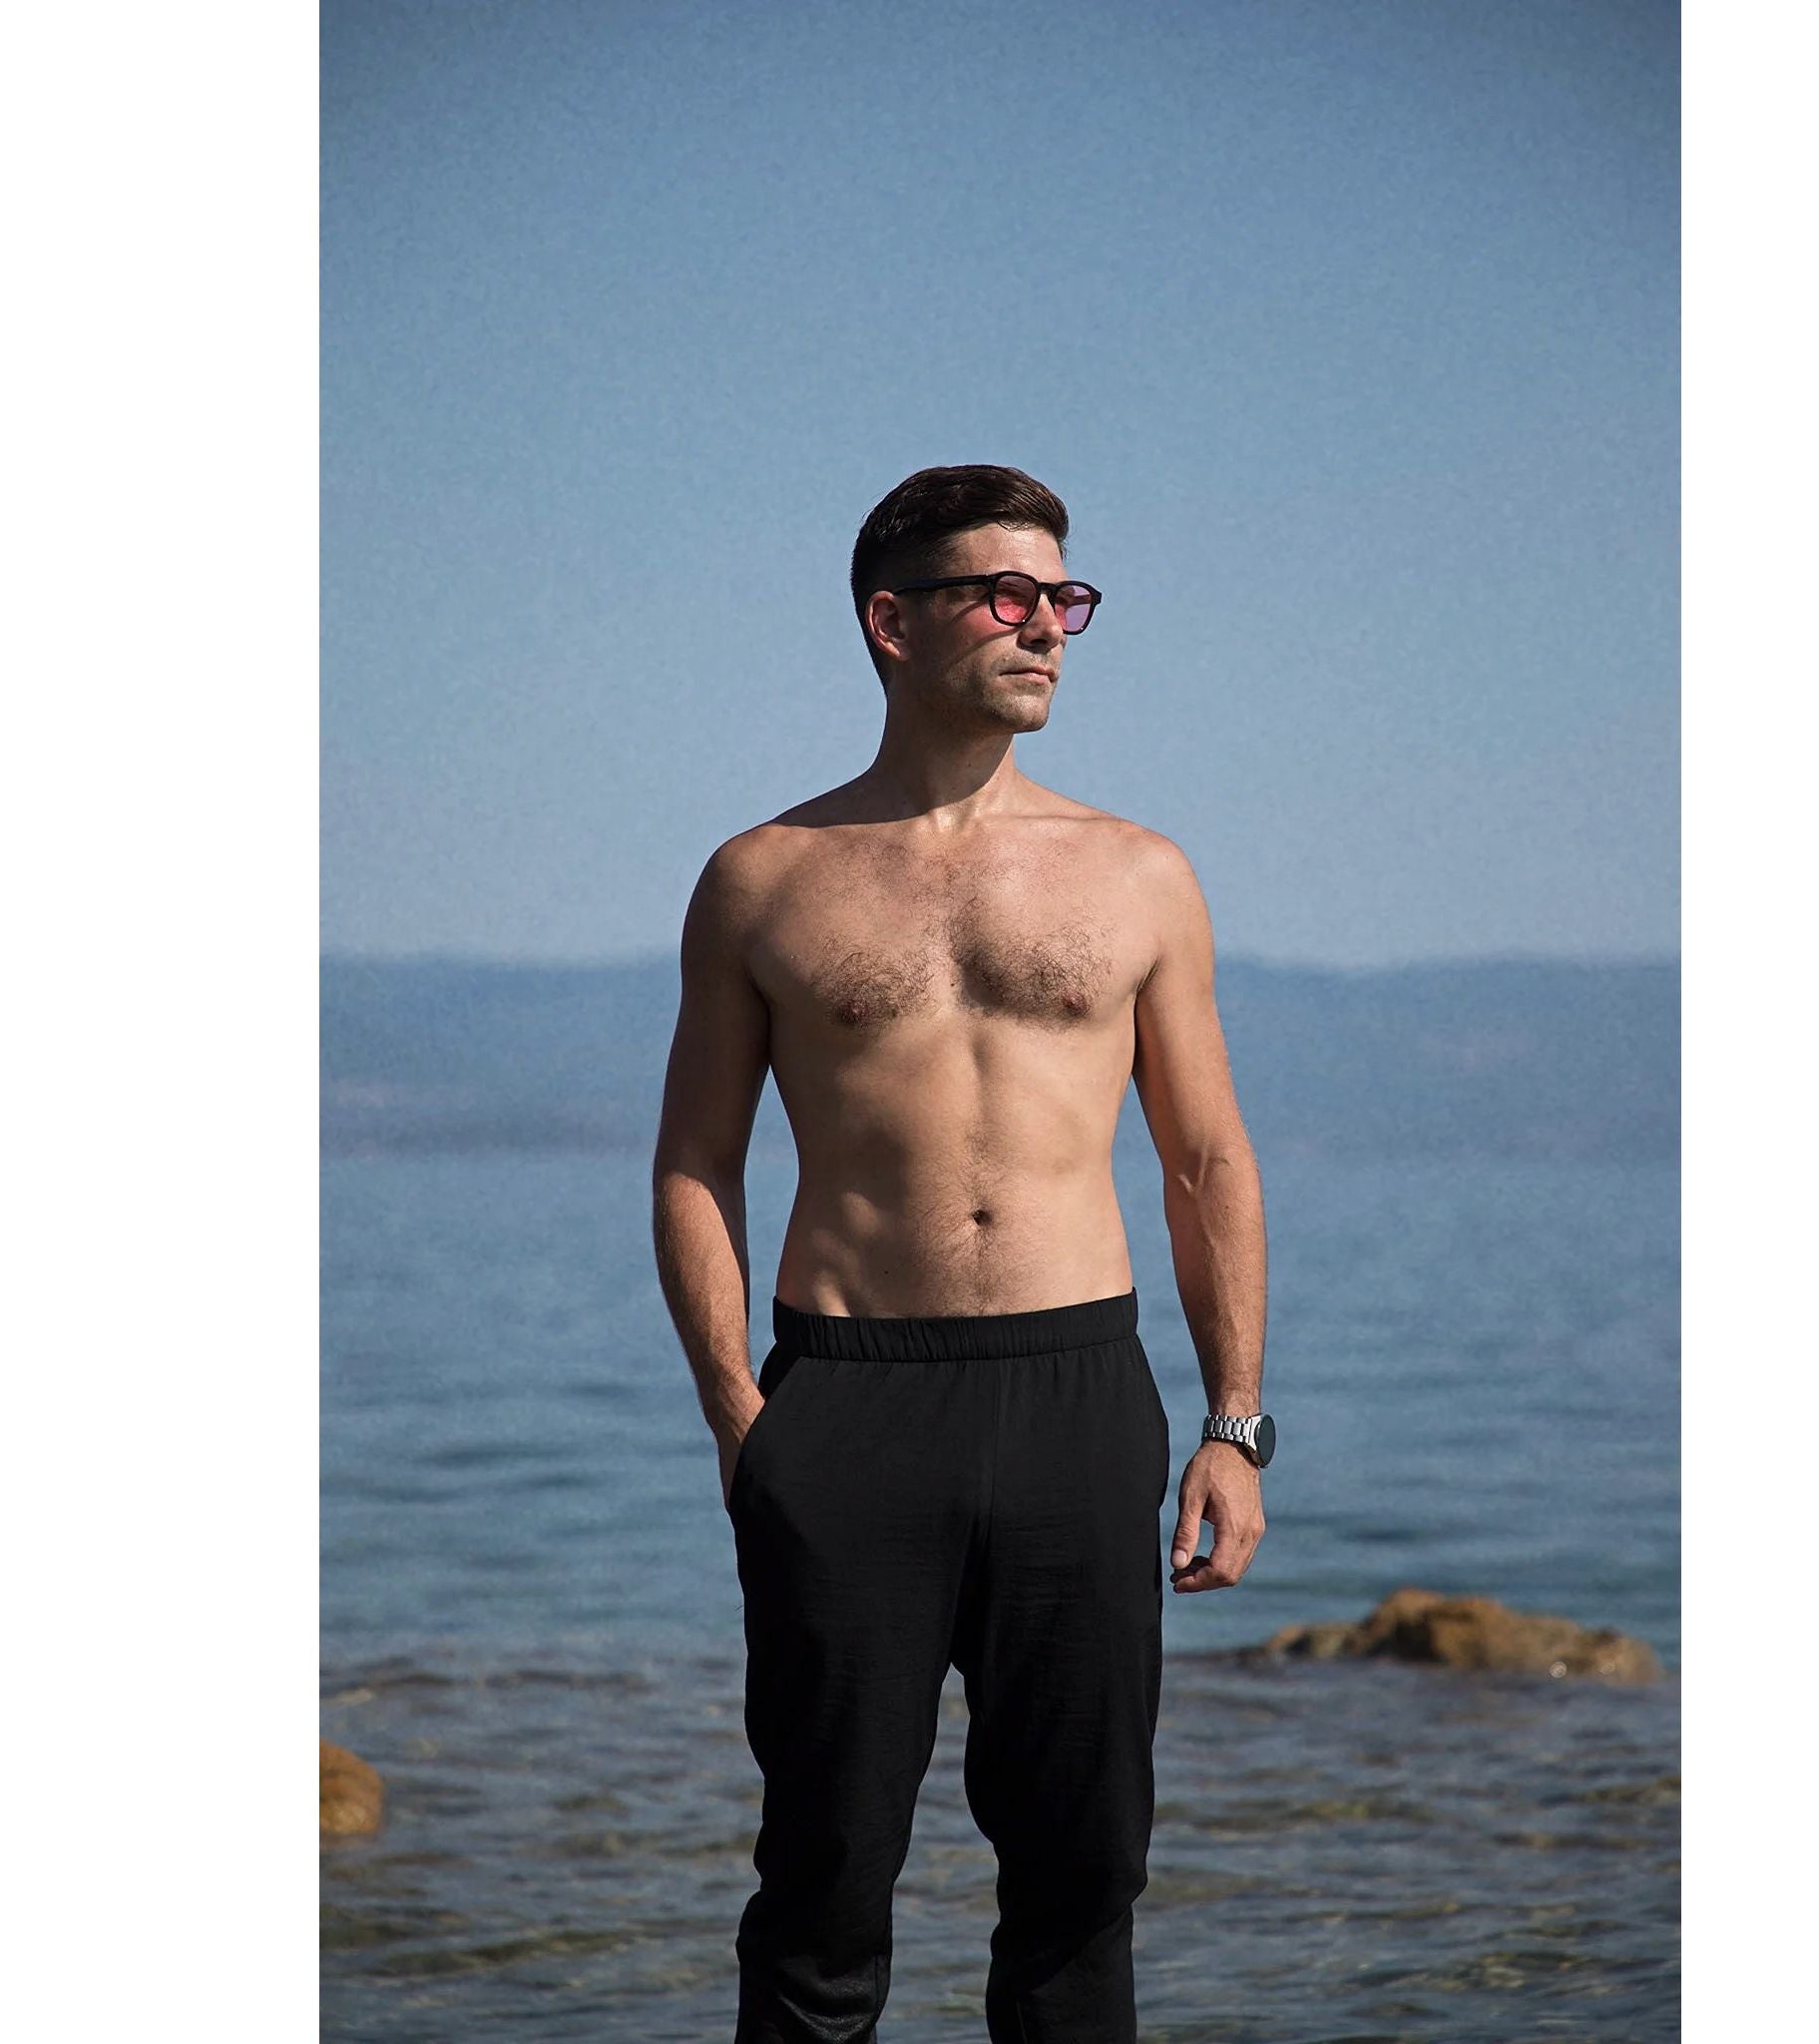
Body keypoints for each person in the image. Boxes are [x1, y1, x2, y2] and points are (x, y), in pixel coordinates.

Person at [652, 463, 1272, 2044]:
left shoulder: (1138, 874)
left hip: (1075, 1389)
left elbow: (1204, 1161)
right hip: (846, 1400)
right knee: (822, 1877)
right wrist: (739, 1417)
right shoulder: (762, 878)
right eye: (1005, 596)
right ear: (892, 621)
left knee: (1082, 1874)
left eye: (1063, 598)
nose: (1045, 628)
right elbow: (696, 1161)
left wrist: (1232, 1425)